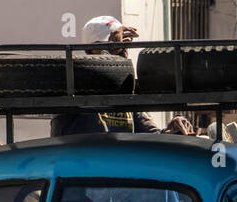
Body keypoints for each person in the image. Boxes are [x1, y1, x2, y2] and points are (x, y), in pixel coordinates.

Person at [51, 15, 196, 137]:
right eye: (111, 44)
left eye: (124, 43)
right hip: (81, 166)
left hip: (120, 167)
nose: (123, 49)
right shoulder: (73, 84)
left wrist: (174, 127)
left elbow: (152, 137)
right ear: (89, 50)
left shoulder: (126, 90)